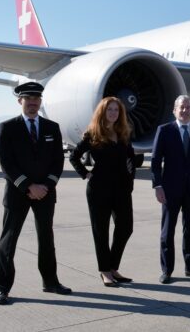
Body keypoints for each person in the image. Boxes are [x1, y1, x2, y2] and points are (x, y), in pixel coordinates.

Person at [0, 82, 70, 305]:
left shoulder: (51, 127)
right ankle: (2, 288)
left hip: (45, 193)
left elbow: (58, 161)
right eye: (28, 99)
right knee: (8, 241)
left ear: (40, 101)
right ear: (20, 101)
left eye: (36, 99)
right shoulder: (8, 127)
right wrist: (29, 186)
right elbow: (6, 163)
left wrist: (46, 185)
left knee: (47, 239)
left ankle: (51, 281)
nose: (33, 103)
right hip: (18, 193)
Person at [70, 97, 136, 287]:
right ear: (102, 112)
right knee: (101, 231)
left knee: (125, 228)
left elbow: (131, 158)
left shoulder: (123, 133)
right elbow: (74, 156)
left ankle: (113, 266)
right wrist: (86, 174)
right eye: (110, 110)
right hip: (99, 189)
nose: (113, 113)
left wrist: (130, 180)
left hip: (122, 189)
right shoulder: (92, 134)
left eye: (116, 110)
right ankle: (105, 270)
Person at [151, 95, 190, 284]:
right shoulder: (164, 130)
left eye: (188, 107)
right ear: (174, 110)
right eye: (181, 107)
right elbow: (155, 161)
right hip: (170, 189)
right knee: (167, 231)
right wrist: (157, 185)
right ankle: (167, 270)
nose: (185, 111)